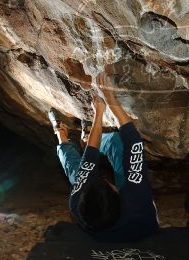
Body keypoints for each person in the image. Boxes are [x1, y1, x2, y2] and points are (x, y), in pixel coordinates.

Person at [48, 73, 159, 241]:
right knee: (117, 144)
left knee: (77, 172)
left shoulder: (77, 204)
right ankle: (90, 139)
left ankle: (61, 134)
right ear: (119, 195)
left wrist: (98, 116)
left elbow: (88, 161)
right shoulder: (137, 199)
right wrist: (108, 101)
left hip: (104, 235)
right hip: (143, 230)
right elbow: (133, 142)